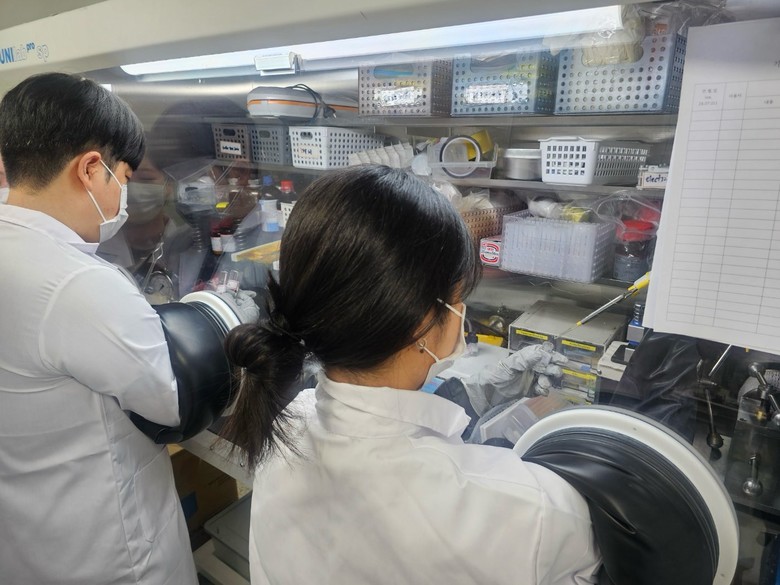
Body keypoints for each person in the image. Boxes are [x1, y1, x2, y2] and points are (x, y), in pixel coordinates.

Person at [222, 165, 601, 584]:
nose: (462, 315)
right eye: (459, 299)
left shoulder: (284, 425)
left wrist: (471, 395)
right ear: (424, 324)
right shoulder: (528, 510)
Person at [0, 73, 198, 584]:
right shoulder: (77, 283)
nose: (124, 197)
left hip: (27, 539)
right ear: (91, 169)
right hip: (109, 554)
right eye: (123, 178)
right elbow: (171, 401)